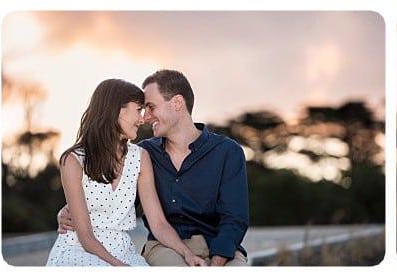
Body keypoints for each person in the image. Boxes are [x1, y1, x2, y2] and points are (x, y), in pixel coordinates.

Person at [58, 70, 250, 266]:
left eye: (150, 107)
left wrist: (217, 263)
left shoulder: (227, 151)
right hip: (164, 248)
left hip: (219, 246)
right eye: (141, 109)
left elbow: (235, 218)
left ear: (176, 103)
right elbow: (112, 197)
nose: (146, 117)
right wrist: (68, 210)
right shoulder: (144, 153)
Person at [46, 79, 207, 266]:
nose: (142, 119)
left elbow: (158, 223)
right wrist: (118, 266)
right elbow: (85, 234)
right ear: (117, 110)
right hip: (79, 249)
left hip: (123, 251)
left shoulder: (140, 157)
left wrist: (187, 254)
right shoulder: (73, 160)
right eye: (138, 109)